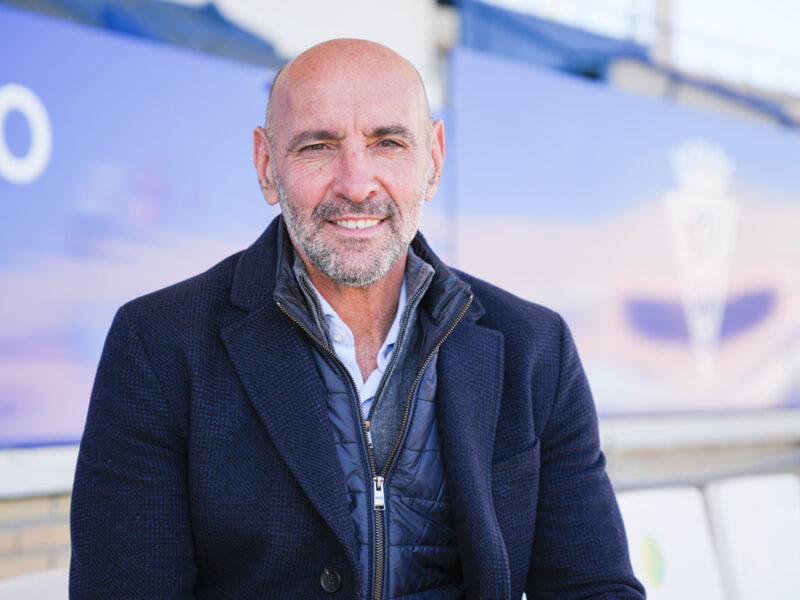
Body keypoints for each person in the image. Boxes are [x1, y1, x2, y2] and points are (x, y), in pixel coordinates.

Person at [69, 39, 645, 600]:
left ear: (434, 160)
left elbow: (594, 586)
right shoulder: (159, 345)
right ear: (267, 166)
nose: (355, 183)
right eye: (317, 146)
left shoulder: (535, 350)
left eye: (389, 142)